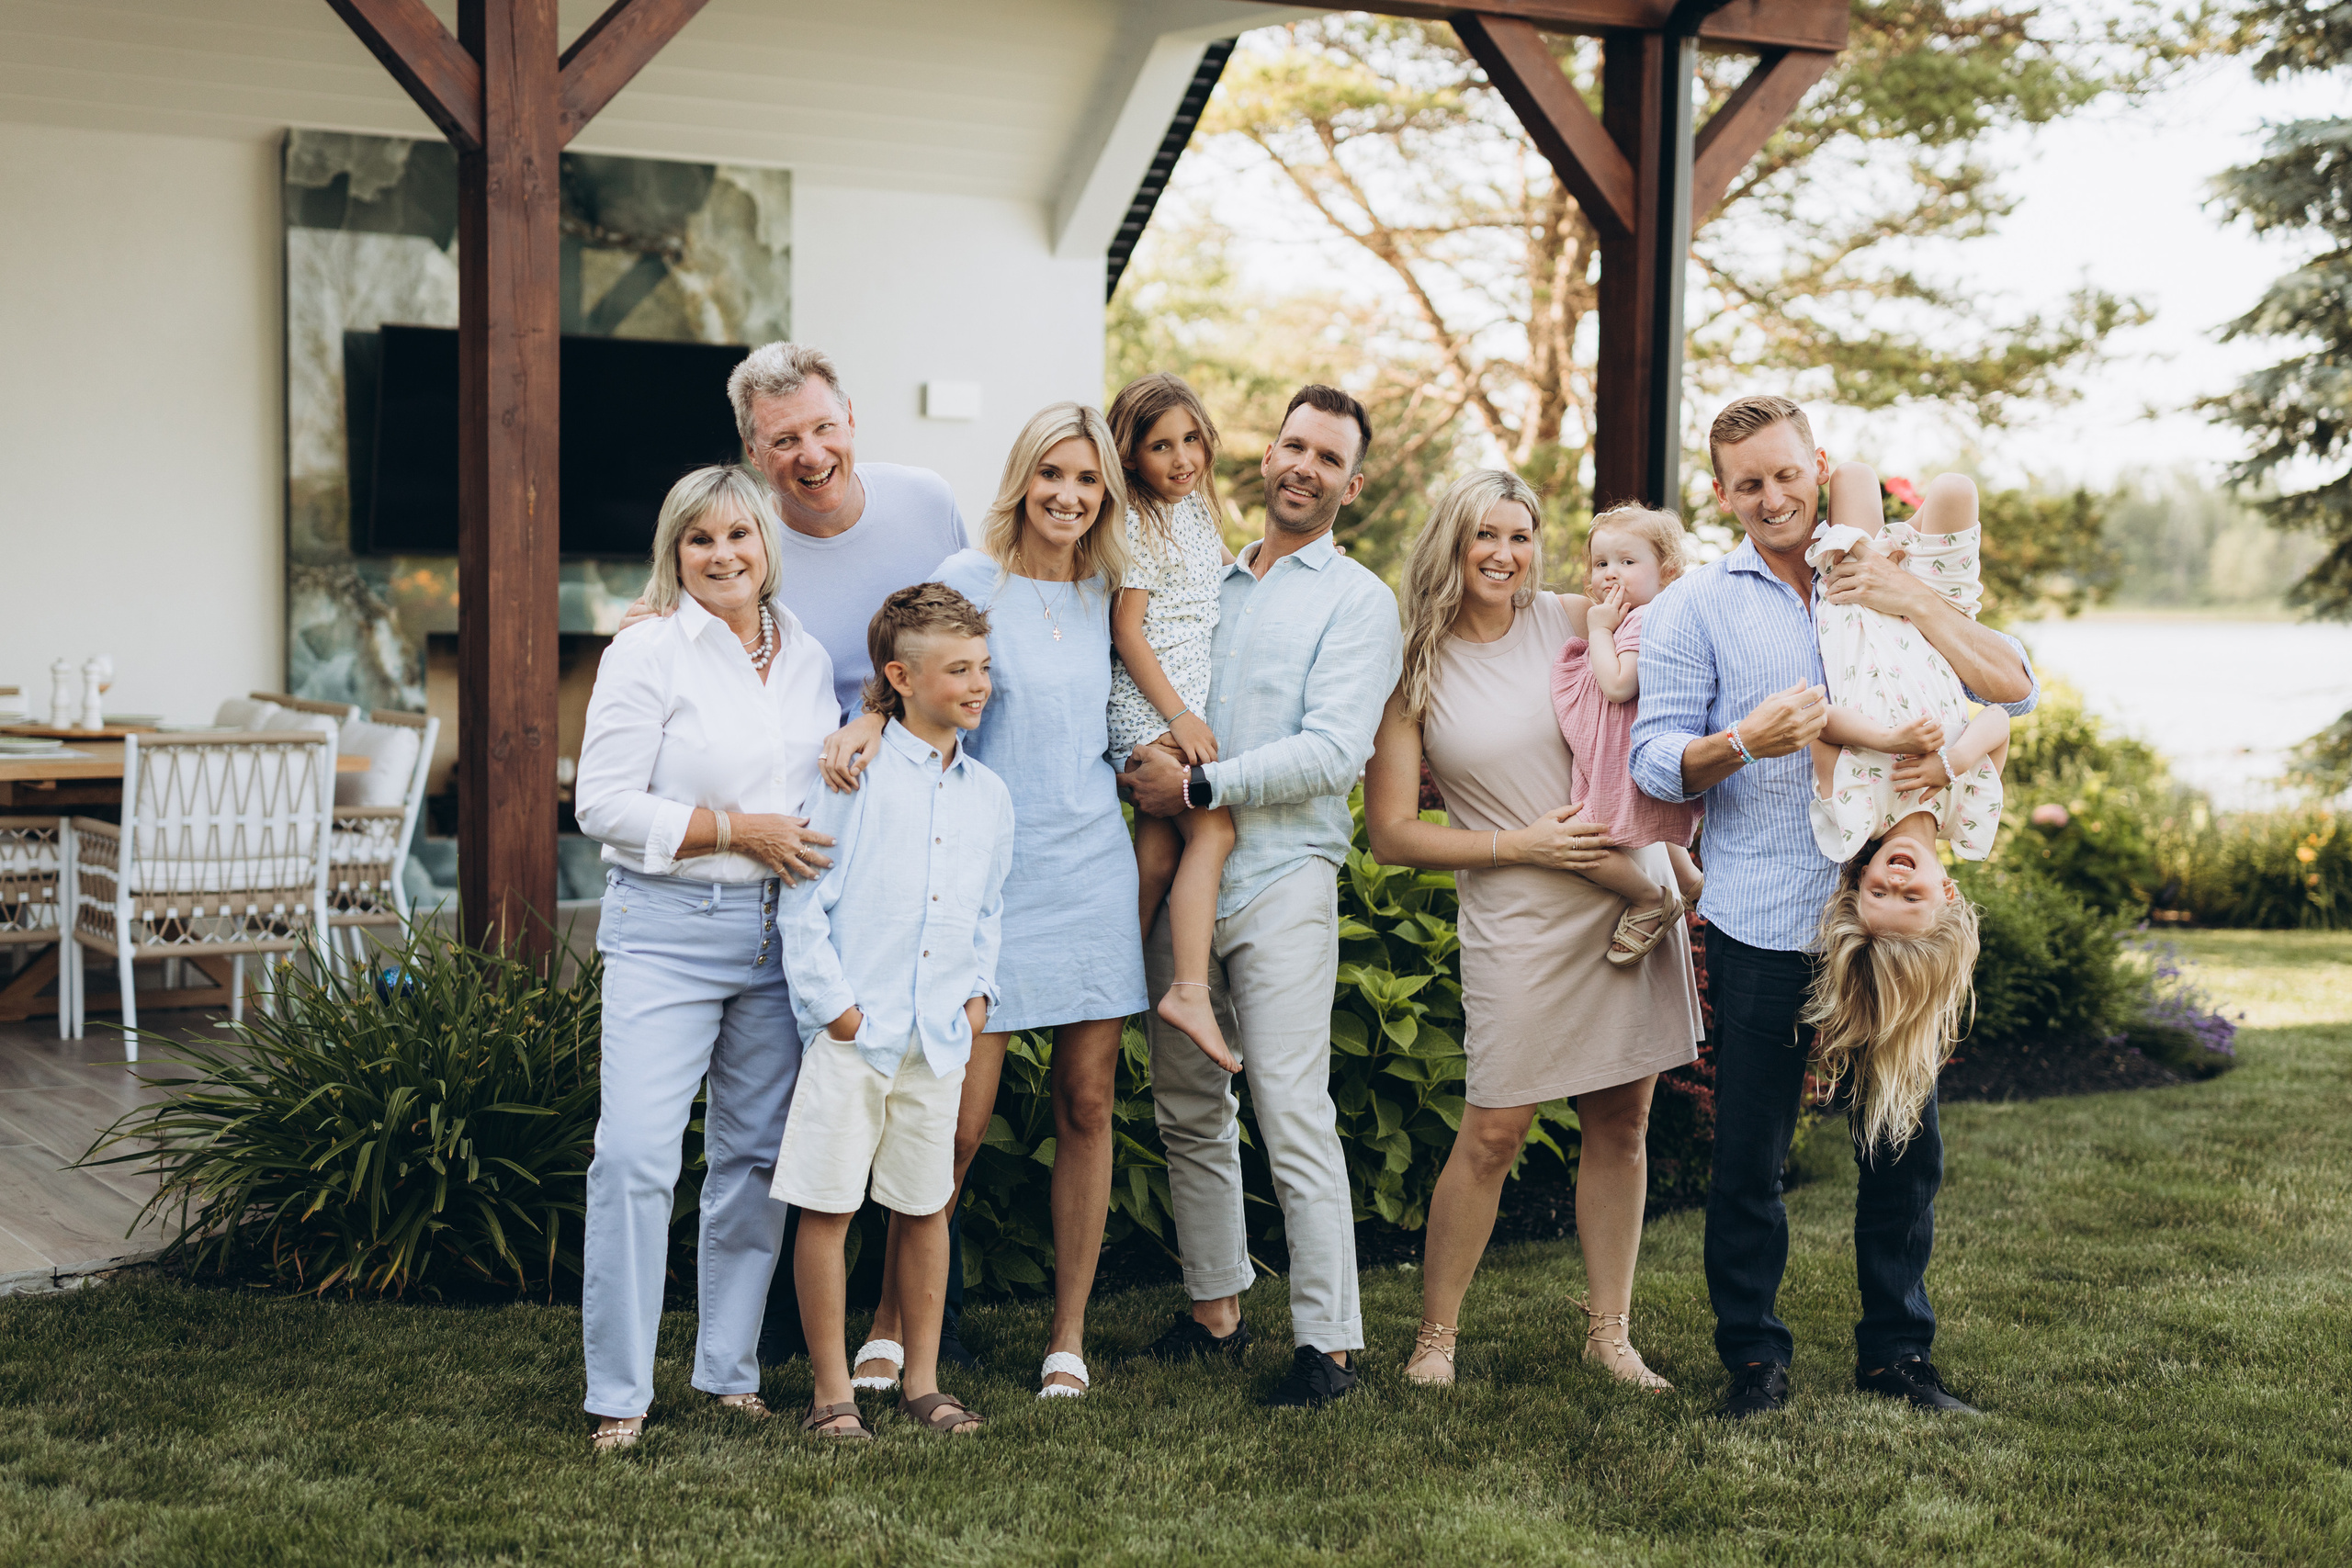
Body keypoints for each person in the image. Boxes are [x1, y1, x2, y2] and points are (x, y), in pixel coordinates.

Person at [1630, 395, 2041, 1421]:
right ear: (1719, 493)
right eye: (1747, 484)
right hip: (1767, 915)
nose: (1772, 499)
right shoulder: (1695, 606)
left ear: (1816, 466)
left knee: (1902, 1147)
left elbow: (2016, 687)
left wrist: (1909, 594)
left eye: (1785, 474)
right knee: (1750, 1159)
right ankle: (1754, 1362)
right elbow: (1653, 760)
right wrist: (1738, 746)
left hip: (1893, 925)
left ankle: (1898, 1357)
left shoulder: (1880, 562)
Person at [622, 341, 983, 1368]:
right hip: (808, 845)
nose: (810, 454)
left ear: (852, 420)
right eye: (783, 440)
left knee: (916, 1062)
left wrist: (881, 717)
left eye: (823, 428)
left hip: (919, 823)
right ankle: (785, 1320)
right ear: (752, 449)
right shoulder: (747, 536)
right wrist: (654, 616)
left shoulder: (925, 505)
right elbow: (697, 616)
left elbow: (957, 634)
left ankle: (910, 1317)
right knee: (817, 1078)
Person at [828, 402, 1148, 1400]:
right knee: (954, 1121)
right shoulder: (974, 578)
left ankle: (1068, 1338)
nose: (1068, 494)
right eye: (1053, 473)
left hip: (1092, 863)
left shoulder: (1108, 591)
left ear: (1105, 494)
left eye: (1088, 480)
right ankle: (887, 1320)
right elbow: (906, 673)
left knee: (1086, 1105)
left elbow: (1130, 703)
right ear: (1023, 478)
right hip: (988, 878)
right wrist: (866, 726)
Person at [1363, 470, 1701, 1393]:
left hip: (1625, 898)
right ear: (1450, 544)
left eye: (1519, 536)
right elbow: (1391, 834)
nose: (1503, 555)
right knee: (1494, 1130)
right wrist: (1517, 843)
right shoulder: (1413, 666)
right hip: (1515, 907)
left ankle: (1610, 1333)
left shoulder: (1573, 616)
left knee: (1621, 1125)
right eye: (1483, 536)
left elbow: (1678, 611)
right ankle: (1435, 1338)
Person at [1123, 386, 1404, 1410]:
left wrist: (1200, 785)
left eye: (1328, 458)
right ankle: (1214, 1311)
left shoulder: (1359, 601)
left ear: (1351, 483)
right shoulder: (1208, 574)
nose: (1304, 467)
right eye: (1293, 445)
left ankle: (1327, 1347)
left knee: (1292, 1108)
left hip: (1283, 878)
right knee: (1189, 1105)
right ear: (1268, 454)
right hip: (1180, 878)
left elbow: (1333, 753)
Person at [572, 465, 842, 1451]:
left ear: (768, 545)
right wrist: (737, 830)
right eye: (700, 541)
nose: (723, 556)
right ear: (673, 553)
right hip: (666, 933)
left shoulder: (804, 653)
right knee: (636, 1158)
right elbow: (600, 803)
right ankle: (618, 1392)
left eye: (740, 536)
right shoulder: (647, 652)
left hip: (779, 939)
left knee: (752, 1159)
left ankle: (728, 1369)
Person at [773, 583, 1013, 1440]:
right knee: (828, 1208)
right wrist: (835, 1010)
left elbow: (988, 909)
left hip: (940, 1037)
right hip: (856, 1035)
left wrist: (978, 996)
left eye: (983, 666)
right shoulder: (853, 776)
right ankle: (832, 1394)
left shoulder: (990, 795)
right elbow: (802, 901)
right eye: (959, 670)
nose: (979, 683)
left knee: (925, 1206)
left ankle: (923, 1381)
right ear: (899, 678)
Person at [1804, 461, 2011, 1156]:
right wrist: (1946, 763)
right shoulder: (1968, 815)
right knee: (1954, 489)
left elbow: (1821, 724)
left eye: (1878, 891)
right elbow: (2001, 723)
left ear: (1859, 886)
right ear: (1946, 893)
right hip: (1933, 618)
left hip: (1857, 614)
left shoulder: (1851, 819)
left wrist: (1891, 742)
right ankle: (1906, 550)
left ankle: (1884, 540)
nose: (1892, 876)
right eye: (1910, 893)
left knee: (1855, 474)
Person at [1105, 373, 1239, 1073]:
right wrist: (1180, 715)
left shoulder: (1194, 510)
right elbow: (1128, 632)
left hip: (1177, 711)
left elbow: (1238, 574)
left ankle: (1111, 977)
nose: (1182, 458)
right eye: (1161, 446)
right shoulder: (1132, 518)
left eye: (1191, 439)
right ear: (1130, 456)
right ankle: (1187, 991)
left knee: (1159, 850)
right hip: (1148, 711)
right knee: (1212, 827)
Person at [1549, 504, 1707, 965]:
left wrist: (1598, 630)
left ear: (1668, 572)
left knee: (1581, 839)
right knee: (1648, 822)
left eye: (1627, 562)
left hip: (1626, 751)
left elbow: (1618, 685)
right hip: (1626, 749)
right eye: (1601, 564)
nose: (1610, 575)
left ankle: (1649, 900)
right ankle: (1692, 881)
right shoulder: (1638, 616)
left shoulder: (1646, 619)